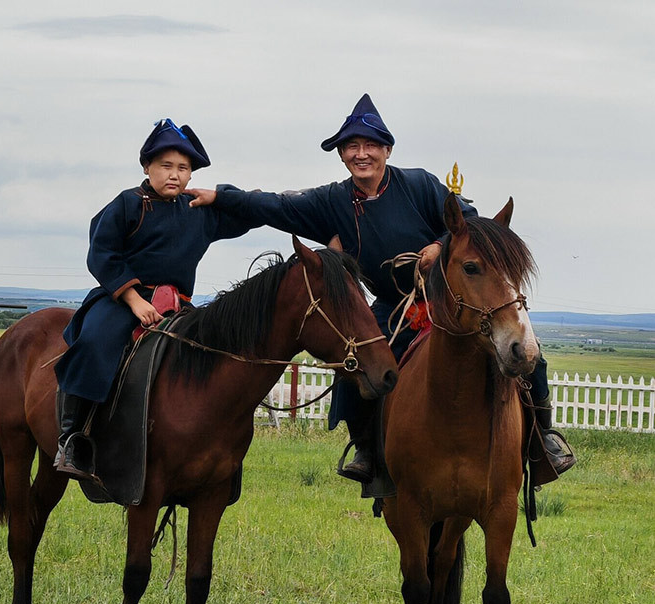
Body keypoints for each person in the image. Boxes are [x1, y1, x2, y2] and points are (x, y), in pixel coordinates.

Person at [188, 94, 575, 497]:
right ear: (341, 154)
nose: (362, 154)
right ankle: (368, 450)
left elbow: (470, 224)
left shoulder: (420, 184)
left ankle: (542, 441)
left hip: (448, 302)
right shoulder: (332, 202)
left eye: (371, 145)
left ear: (387, 150)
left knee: (526, 351)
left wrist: (439, 246)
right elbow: (276, 206)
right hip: (393, 308)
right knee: (356, 359)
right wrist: (222, 196)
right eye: (352, 146)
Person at [53, 118, 259, 481]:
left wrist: (221, 196)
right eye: (166, 165)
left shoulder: (198, 210)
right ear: (147, 167)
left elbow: (248, 215)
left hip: (178, 304)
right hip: (122, 299)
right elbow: (101, 253)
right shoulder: (127, 204)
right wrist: (134, 300)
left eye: (183, 168)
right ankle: (72, 439)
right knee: (95, 343)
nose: (175, 175)